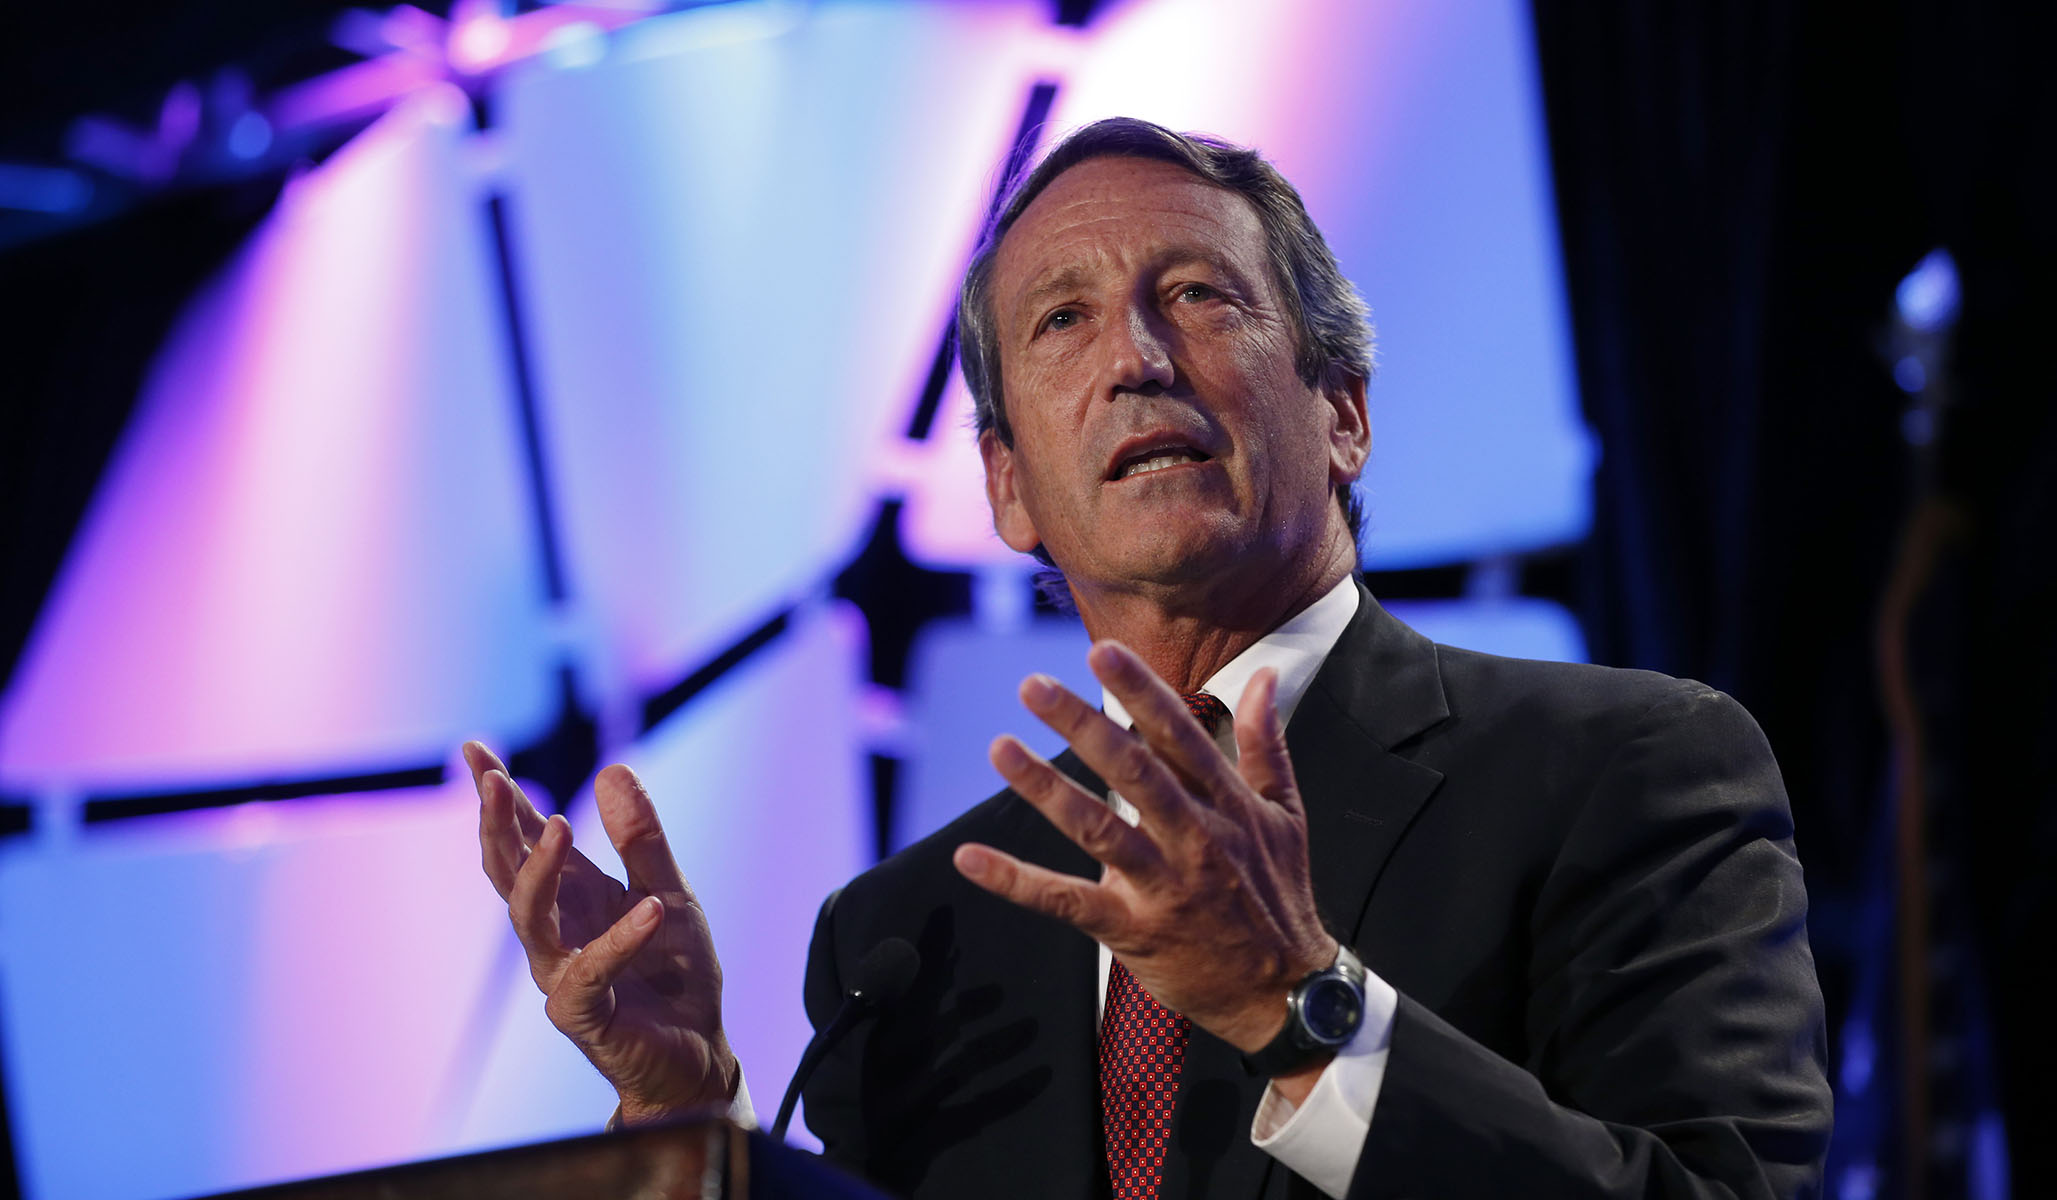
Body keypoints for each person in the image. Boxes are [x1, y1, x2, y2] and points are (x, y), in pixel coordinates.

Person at [470, 117, 1832, 1198]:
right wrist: (687, 1124)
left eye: (1194, 295)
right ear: (1007, 488)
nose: (1134, 357)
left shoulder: (1623, 769)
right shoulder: (906, 936)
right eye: (1060, 320)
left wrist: (1299, 1009)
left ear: (1343, 414)